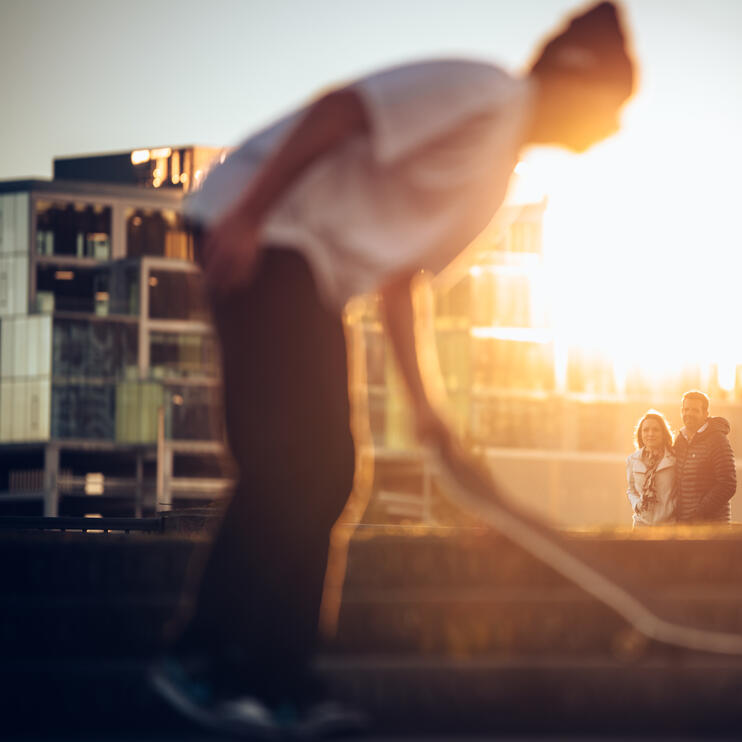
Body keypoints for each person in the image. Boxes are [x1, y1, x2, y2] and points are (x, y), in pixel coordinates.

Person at [149, 3, 636, 737]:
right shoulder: (482, 91)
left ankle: (279, 683)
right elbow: (340, 112)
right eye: (615, 106)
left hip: (309, 270)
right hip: (269, 234)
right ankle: (201, 657)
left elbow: (402, 283)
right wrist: (250, 214)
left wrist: (427, 407)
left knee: (328, 471)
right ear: (578, 79)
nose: (615, 128)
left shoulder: (494, 182)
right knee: (298, 465)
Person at [673, 390, 736, 523]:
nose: (689, 414)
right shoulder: (679, 440)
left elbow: (728, 484)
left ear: (706, 414)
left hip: (711, 529)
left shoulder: (717, 440)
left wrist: (699, 514)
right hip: (684, 527)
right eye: (686, 409)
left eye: (695, 410)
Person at [626, 410, 677, 526]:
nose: (650, 434)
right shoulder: (632, 460)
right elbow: (631, 490)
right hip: (641, 525)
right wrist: (636, 504)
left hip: (668, 525)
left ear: (664, 433)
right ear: (640, 434)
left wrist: (672, 507)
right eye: (646, 430)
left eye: (656, 430)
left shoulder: (674, 459)